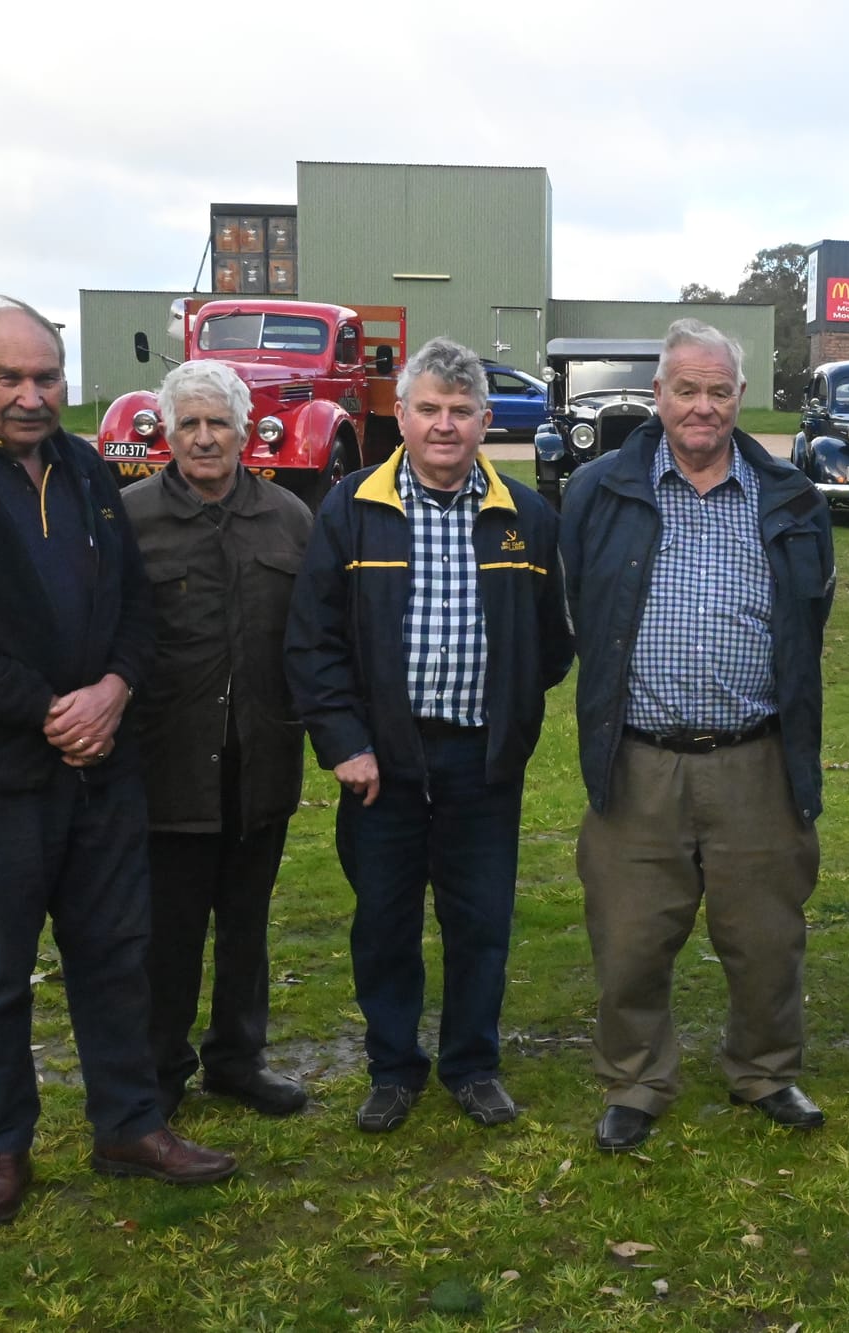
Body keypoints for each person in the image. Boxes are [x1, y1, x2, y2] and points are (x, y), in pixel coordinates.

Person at [0, 297, 236, 1229]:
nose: (33, 396)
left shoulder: (83, 467)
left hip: (101, 771)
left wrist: (113, 685)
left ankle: (129, 1125)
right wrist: (45, 710)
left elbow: (131, 607)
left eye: (48, 378)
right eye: (11, 378)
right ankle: (1, 1147)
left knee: (116, 957)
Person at [560, 318, 835, 1153]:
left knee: (765, 938)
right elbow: (577, 600)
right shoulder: (600, 491)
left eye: (719, 391)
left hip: (755, 757)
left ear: (739, 397)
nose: (703, 406)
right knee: (632, 937)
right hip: (638, 757)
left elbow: (809, 617)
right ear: (658, 395)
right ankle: (637, 1078)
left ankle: (764, 1068)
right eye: (687, 389)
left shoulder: (789, 495)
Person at [286, 336, 571, 1134]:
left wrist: (509, 715)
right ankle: (393, 1067)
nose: (445, 426)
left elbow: (552, 645)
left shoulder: (528, 516)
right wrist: (346, 742)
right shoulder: (350, 508)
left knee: (480, 919)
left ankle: (472, 1064)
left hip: (482, 760)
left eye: (461, 411)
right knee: (384, 919)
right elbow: (313, 641)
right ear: (401, 416)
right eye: (429, 409)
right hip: (382, 761)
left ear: (486, 421)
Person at [122, 359, 315, 1120]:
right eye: (188, 424)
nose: (204, 438)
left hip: (260, 759)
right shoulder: (129, 519)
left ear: (245, 429)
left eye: (218, 422)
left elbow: (311, 638)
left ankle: (236, 1059)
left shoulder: (289, 518)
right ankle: (159, 1069)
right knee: (167, 932)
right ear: (166, 432)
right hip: (166, 764)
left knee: (246, 924)